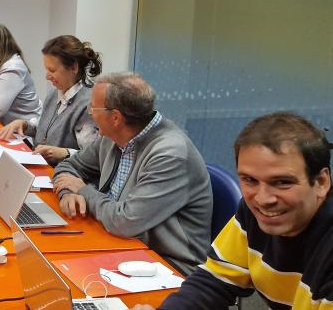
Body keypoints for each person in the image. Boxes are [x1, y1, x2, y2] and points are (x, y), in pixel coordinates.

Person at [135, 112, 333, 310]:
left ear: (322, 183)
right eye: (249, 180)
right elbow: (213, 282)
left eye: (282, 183)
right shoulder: (252, 213)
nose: (263, 199)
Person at [52, 72, 212, 276]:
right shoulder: (112, 135)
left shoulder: (170, 154)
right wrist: (68, 192)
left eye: (93, 107)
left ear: (116, 117)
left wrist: (83, 190)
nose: (88, 112)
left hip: (166, 264)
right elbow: (70, 166)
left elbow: (125, 222)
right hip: (118, 242)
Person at [0, 35, 102, 165]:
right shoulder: (54, 93)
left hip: (66, 176)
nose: (47, 76)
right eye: (46, 69)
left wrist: (64, 153)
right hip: (41, 166)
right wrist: (25, 125)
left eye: (52, 70)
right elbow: (45, 128)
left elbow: (92, 156)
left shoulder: (88, 104)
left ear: (74, 68)